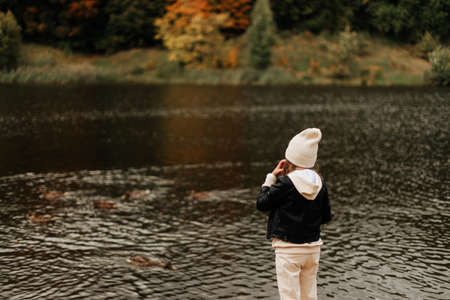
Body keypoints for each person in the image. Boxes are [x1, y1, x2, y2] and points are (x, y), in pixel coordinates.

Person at [256, 128, 332, 300]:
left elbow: (261, 204)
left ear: (290, 159)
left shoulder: (285, 183)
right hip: (313, 249)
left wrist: (270, 178)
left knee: (289, 297)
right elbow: (326, 217)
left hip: (288, 251)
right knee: (309, 296)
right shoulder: (320, 182)